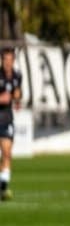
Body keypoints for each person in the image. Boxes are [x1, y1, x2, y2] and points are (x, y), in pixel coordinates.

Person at [0, 47, 22, 202]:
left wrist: (17, 97)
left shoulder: (17, 76)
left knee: (7, 153)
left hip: (7, 118)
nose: (8, 63)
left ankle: (4, 188)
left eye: (10, 60)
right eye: (5, 60)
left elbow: (17, 93)